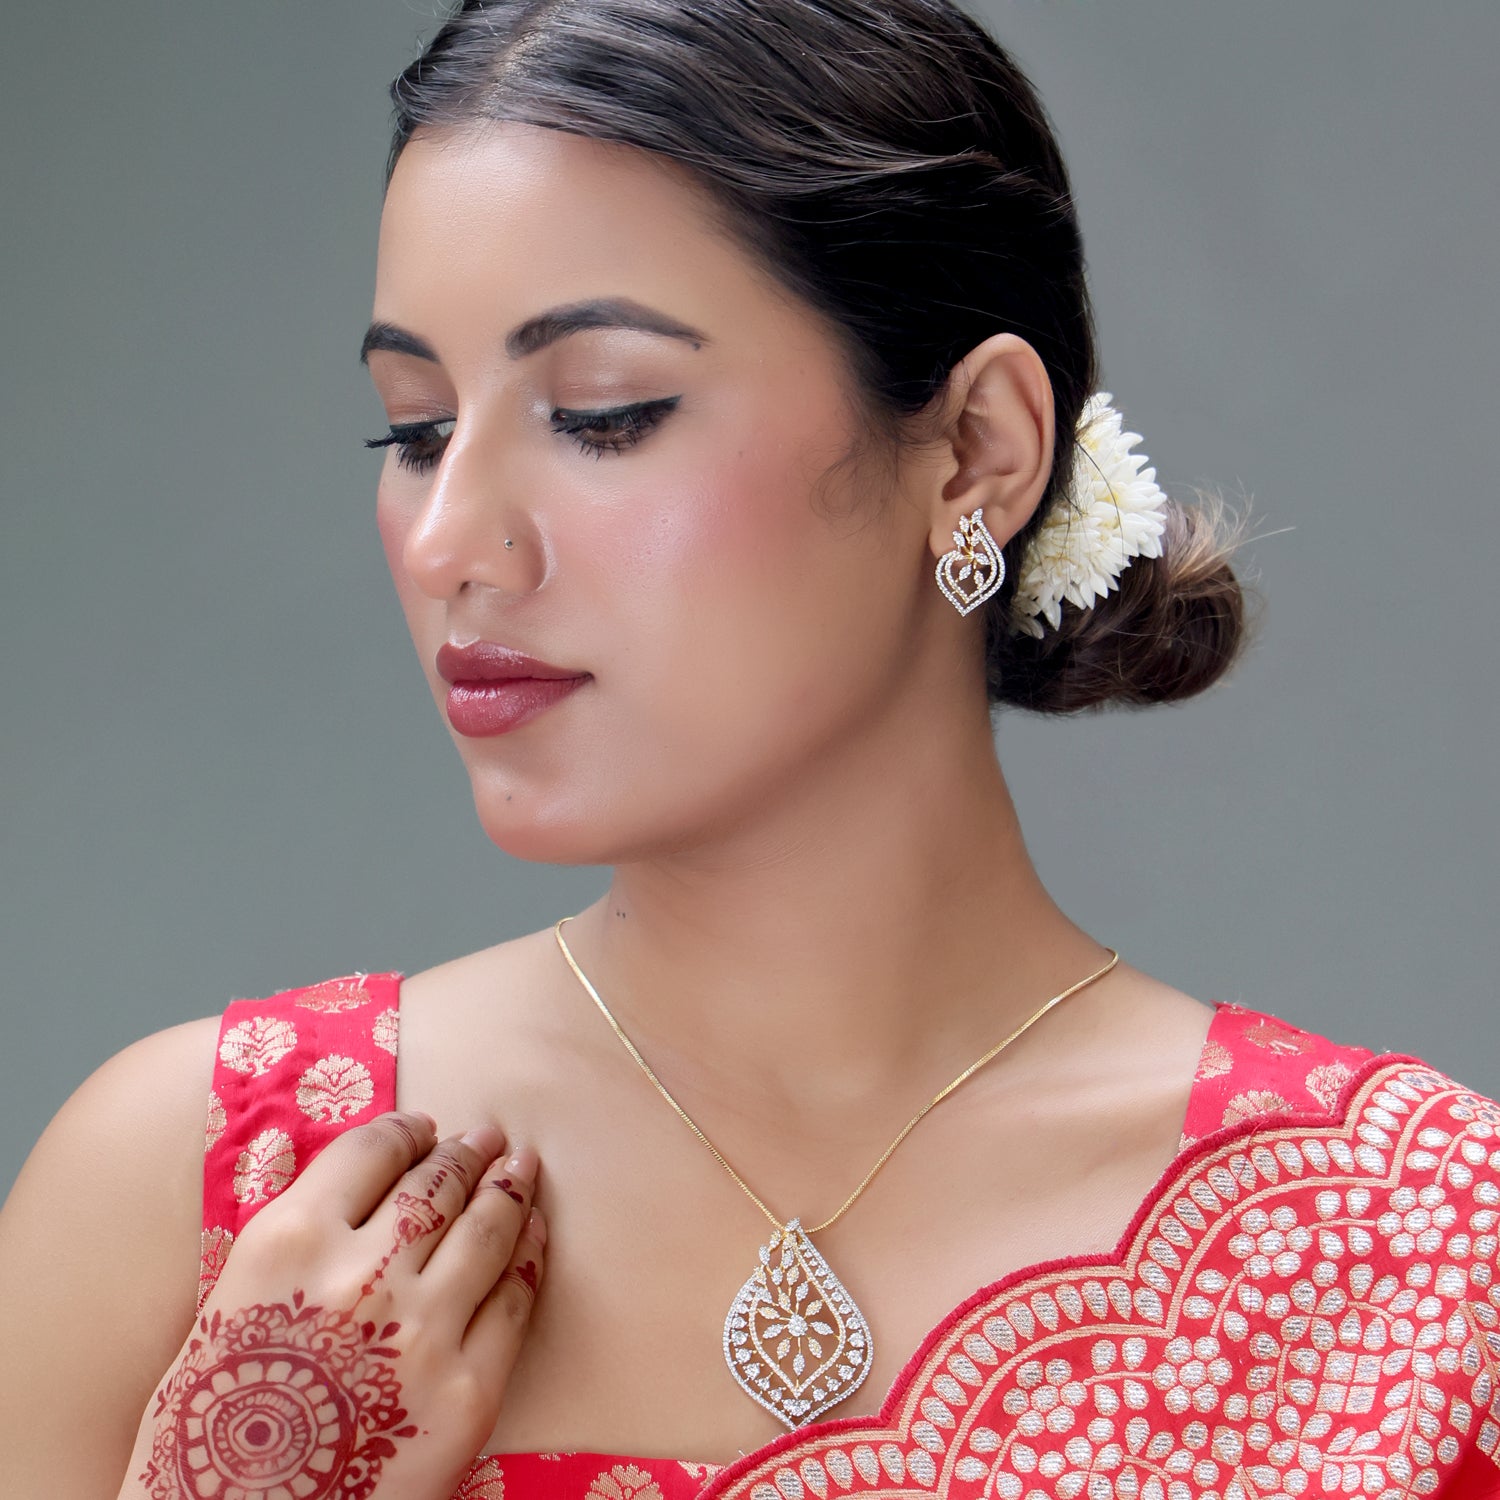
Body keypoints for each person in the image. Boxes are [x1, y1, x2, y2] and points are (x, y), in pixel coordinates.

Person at [2, 0, 1497, 1495]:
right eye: (415, 431)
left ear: (977, 449)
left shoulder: (1431, 1268)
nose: (450, 540)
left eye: (604, 413)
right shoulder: (194, 1193)